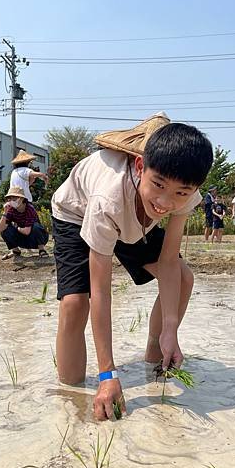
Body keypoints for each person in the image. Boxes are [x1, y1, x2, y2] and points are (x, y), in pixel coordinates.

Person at [51, 114, 214, 420]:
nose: (166, 202)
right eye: (159, 184)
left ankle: (157, 359)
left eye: (181, 192)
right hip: (76, 213)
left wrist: (171, 328)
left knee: (183, 276)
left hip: (135, 218)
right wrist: (107, 375)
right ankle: (69, 397)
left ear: (194, 190)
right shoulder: (107, 198)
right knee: (75, 303)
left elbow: (168, 261)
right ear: (141, 167)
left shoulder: (183, 199)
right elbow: (101, 291)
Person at [0, 186, 49, 260]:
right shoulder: (11, 210)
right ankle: (15, 251)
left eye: (14, 199)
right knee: (5, 229)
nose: (11, 201)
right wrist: (5, 212)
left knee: (36, 226)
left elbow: (27, 231)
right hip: (23, 239)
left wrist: (16, 227)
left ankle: (42, 249)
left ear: (21, 199)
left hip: (35, 239)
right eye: (10, 199)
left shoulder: (29, 209)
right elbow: (0, 229)